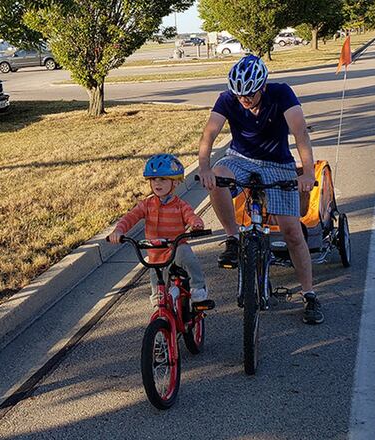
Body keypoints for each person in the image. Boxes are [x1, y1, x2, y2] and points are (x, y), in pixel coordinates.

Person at [197, 54, 323, 324]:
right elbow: (209, 133)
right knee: (218, 176)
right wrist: (204, 167)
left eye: (250, 95)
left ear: (263, 85)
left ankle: (309, 294)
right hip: (240, 159)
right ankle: (232, 237)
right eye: (239, 94)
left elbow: (300, 132)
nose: (244, 100)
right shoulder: (228, 99)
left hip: (278, 164)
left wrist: (308, 172)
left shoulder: (281, 94)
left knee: (291, 232)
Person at [108, 154, 208, 306]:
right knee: (158, 297)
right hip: (155, 255)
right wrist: (119, 231)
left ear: (174, 183)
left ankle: (198, 288)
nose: (157, 183)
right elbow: (130, 217)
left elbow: (191, 216)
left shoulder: (179, 205)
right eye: (153, 179)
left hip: (176, 248)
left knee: (188, 257)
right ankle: (161, 319)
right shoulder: (146, 204)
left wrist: (196, 224)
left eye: (163, 179)